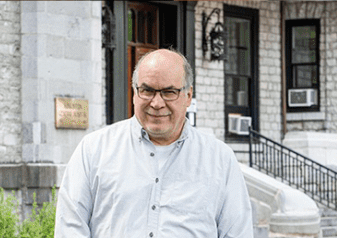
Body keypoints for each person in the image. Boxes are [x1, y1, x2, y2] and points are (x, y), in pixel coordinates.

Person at [55, 49, 253, 237]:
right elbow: (70, 228)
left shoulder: (220, 160)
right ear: (134, 93)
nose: (157, 103)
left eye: (169, 92)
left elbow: (237, 233)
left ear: (188, 96)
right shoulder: (94, 150)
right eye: (147, 90)